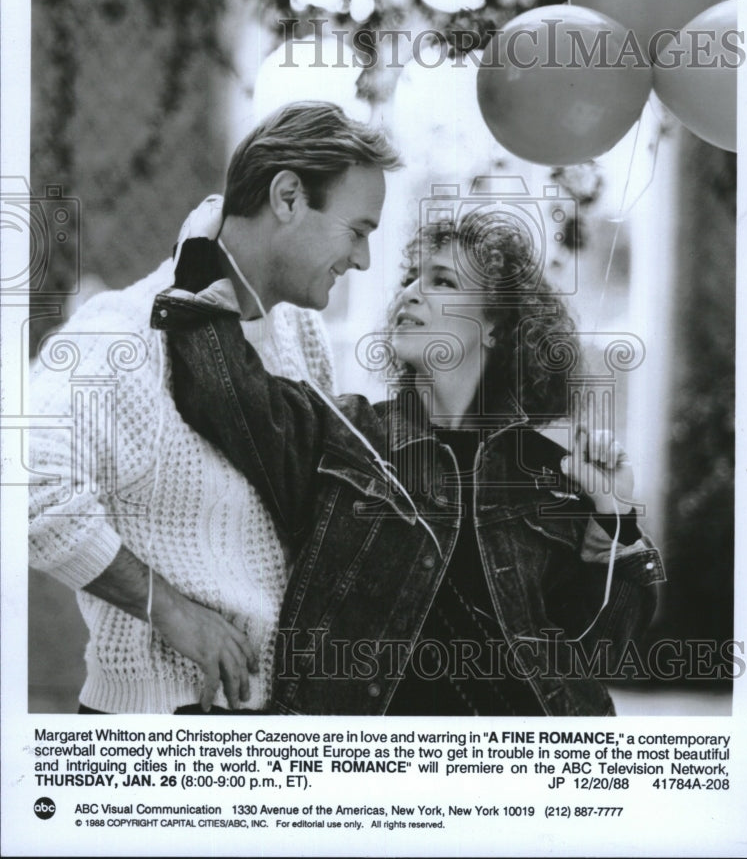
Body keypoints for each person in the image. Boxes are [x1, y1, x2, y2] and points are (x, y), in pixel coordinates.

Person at [152, 209, 665, 715]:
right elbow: (226, 394)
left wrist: (612, 516)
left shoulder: (552, 472)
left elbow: (603, 649)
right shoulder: (347, 434)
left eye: (441, 281)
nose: (410, 292)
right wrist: (200, 257)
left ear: (496, 327)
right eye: (410, 278)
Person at [28, 100, 400, 714]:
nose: (361, 259)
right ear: (287, 198)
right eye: (358, 230)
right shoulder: (122, 335)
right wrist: (168, 610)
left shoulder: (300, 339)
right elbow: (28, 485)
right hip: (159, 731)